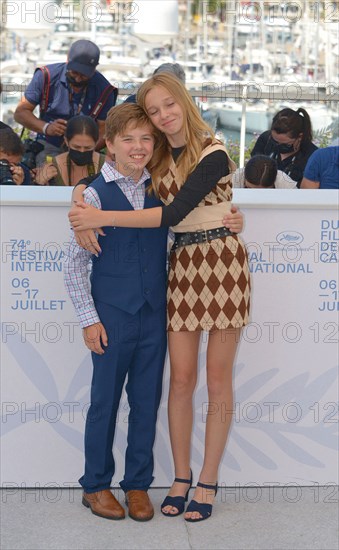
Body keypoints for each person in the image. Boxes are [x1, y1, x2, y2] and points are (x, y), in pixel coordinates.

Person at [69, 73, 251, 522]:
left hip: (222, 269)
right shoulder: (157, 157)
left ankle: (205, 481)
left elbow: (171, 213)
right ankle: (173, 478)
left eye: (169, 105)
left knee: (214, 380)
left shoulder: (214, 151)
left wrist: (94, 213)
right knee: (179, 381)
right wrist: (80, 198)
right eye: (153, 110)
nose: (163, 115)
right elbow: (113, 165)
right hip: (182, 271)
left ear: (184, 101)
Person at [64, 103, 169, 522]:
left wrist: (230, 220)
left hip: (153, 314)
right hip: (110, 314)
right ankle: (95, 485)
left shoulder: (161, 187)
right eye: (128, 139)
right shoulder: (92, 194)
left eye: (146, 138)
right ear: (110, 144)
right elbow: (73, 266)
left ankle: (138, 484)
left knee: (146, 401)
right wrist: (90, 320)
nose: (138, 147)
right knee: (104, 403)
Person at [14, 40, 118, 165]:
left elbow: (104, 130)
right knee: (46, 169)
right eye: (74, 72)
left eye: (84, 75)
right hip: (49, 143)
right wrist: (47, 127)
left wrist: (84, 148)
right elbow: (20, 112)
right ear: (68, 59)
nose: (78, 79)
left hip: (87, 149)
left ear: (94, 68)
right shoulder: (45, 76)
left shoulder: (104, 89)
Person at [251, 107, 318, 186]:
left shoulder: (312, 156)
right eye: (274, 141)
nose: (278, 146)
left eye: (285, 144)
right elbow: (252, 171)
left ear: (300, 137)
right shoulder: (265, 139)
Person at [35, 116, 106, 186]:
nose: (82, 151)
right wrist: (39, 182)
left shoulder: (107, 166)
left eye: (88, 147)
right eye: (76, 147)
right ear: (66, 141)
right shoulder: (51, 166)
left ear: (96, 143)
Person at [232, 155, 297, 188]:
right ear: (244, 176)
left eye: (264, 191)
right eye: (249, 188)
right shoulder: (233, 180)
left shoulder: (286, 183)